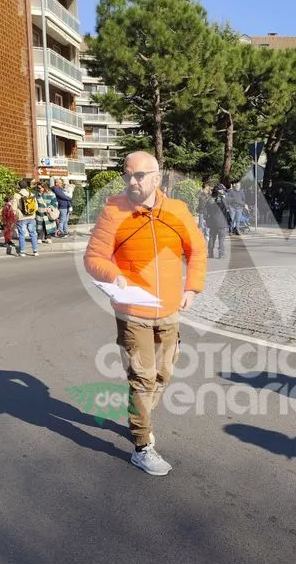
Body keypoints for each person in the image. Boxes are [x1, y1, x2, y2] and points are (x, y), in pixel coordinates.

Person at [84, 151, 207, 476]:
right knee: (143, 376)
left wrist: (192, 288)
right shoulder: (113, 212)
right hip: (131, 310)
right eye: (128, 175)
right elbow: (94, 258)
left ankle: (139, 416)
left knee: (165, 374)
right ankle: (142, 445)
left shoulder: (177, 210)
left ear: (157, 177)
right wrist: (114, 275)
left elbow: (197, 250)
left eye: (140, 175)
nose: (133, 181)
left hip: (168, 309)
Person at [13, 180, 39, 257]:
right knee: (33, 234)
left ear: (19, 186)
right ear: (27, 186)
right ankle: (35, 251)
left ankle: (22, 251)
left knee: (22, 234)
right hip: (31, 216)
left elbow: (14, 208)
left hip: (21, 218)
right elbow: (36, 207)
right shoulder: (31, 194)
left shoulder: (17, 195)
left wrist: (15, 216)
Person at [205, 188, 229, 259]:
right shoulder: (222, 199)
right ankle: (221, 254)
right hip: (221, 222)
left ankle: (210, 253)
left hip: (212, 222)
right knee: (221, 238)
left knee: (212, 237)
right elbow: (226, 207)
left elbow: (206, 210)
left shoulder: (210, 200)